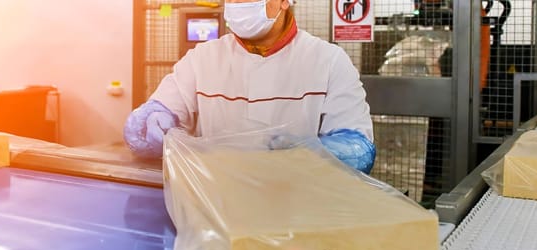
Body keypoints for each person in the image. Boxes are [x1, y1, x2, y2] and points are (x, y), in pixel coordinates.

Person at [123, 0, 376, 174]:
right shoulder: (202, 59)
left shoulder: (328, 61)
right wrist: (154, 121)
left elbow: (358, 150)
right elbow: (145, 125)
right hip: (216, 212)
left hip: (298, 212)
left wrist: (308, 154)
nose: (238, 4)